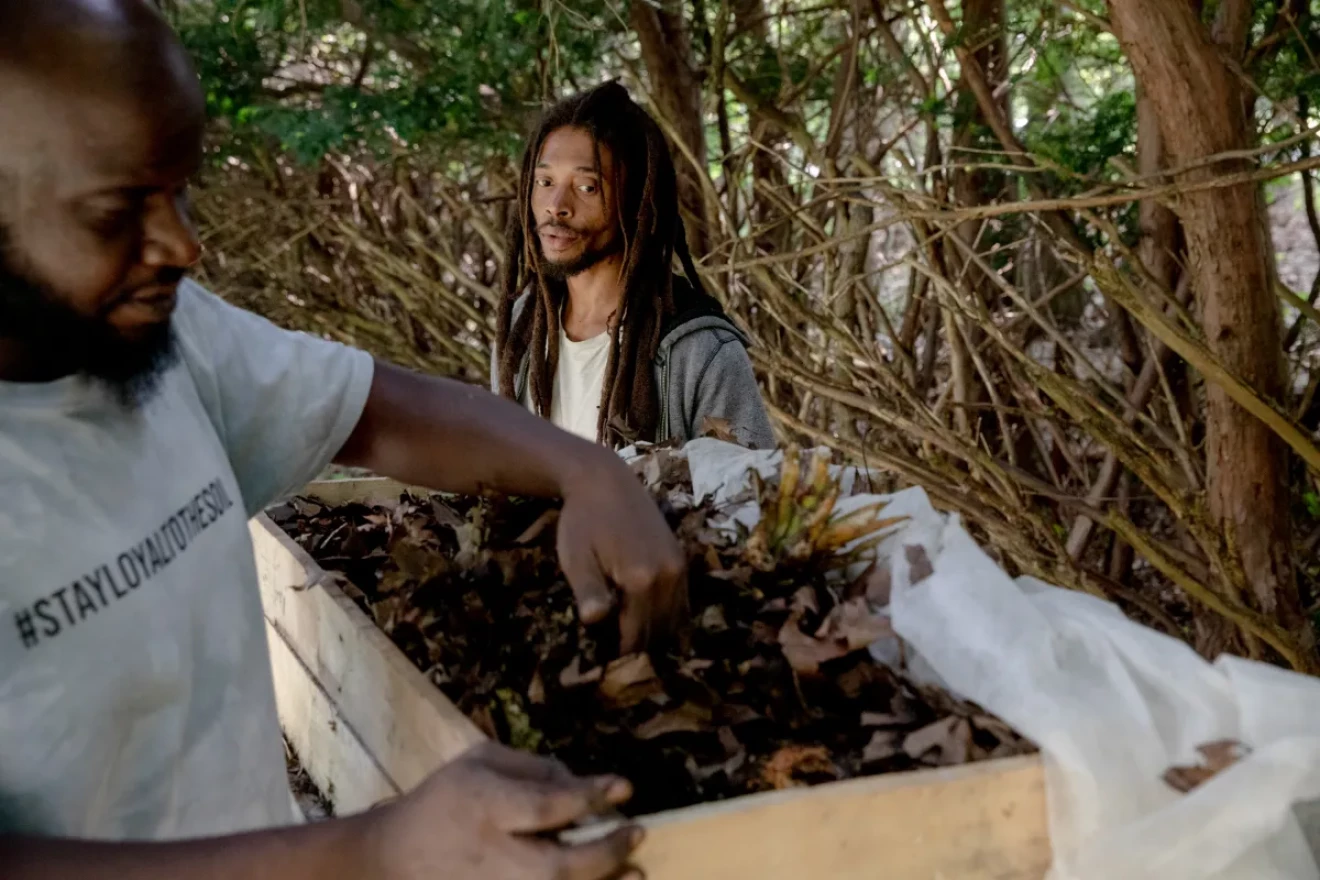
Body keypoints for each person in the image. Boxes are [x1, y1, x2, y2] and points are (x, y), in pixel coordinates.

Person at [0, 2, 685, 878]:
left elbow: (374, 409)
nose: (182, 244)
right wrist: (370, 850)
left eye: (178, 191)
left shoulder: (165, 336)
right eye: (113, 212)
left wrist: (588, 473)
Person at [492, 82, 775, 450]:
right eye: (545, 182)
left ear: (637, 199)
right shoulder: (522, 329)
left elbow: (749, 497)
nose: (556, 205)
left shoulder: (700, 351)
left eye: (587, 187)